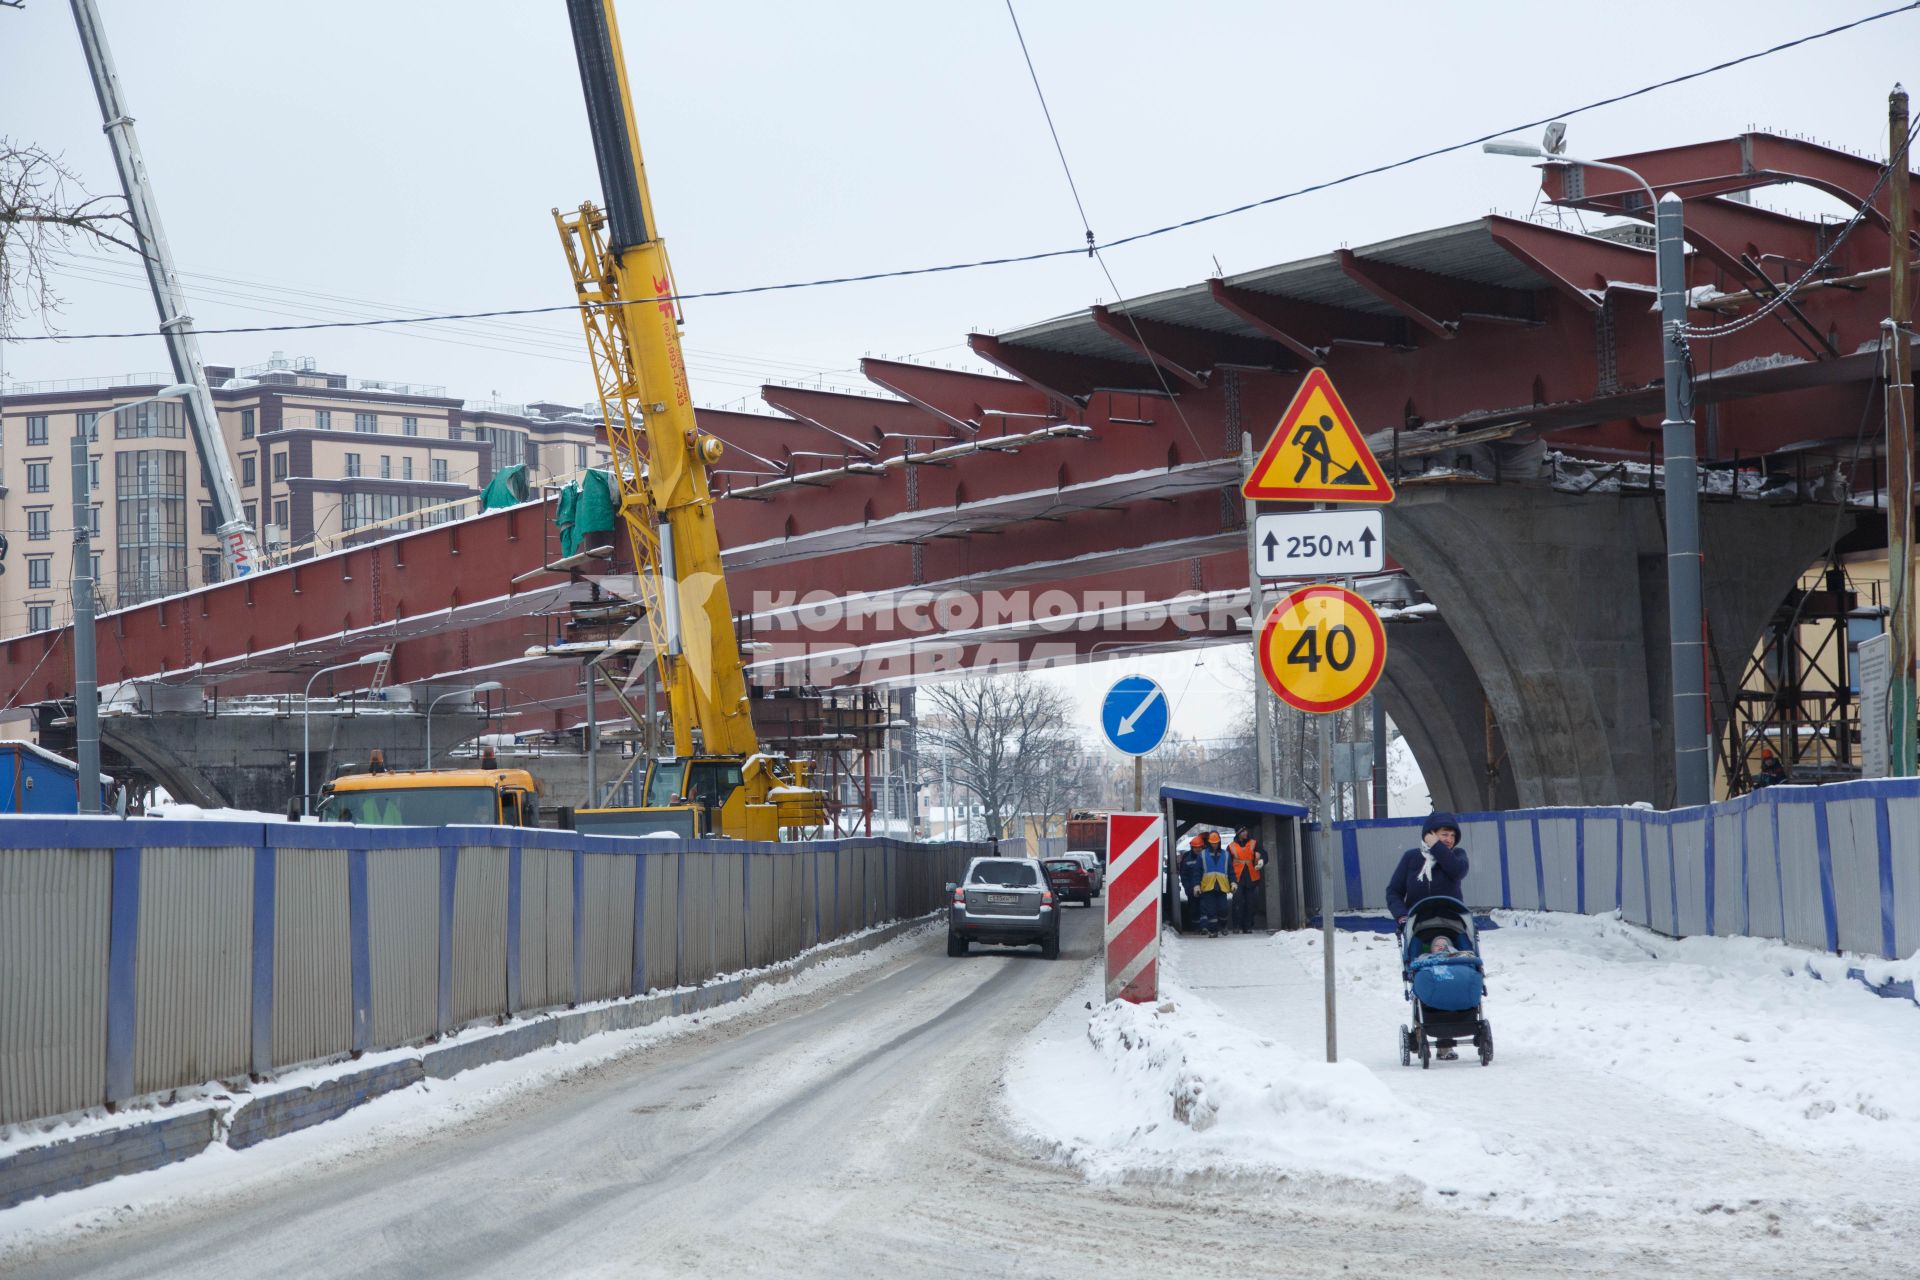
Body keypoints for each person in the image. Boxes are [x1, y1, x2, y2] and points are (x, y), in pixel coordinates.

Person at [1388, 812, 1469, 1057]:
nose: (1449, 839)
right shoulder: (1411, 859)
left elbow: (1455, 870)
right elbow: (1393, 891)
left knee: (1454, 973)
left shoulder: (1457, 857)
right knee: (1425, 973)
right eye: (1444, 834)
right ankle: (1424, 1028)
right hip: (1420, 928)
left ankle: (1447, 1039)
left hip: (1452, 927)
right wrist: (1402, 916)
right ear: (1429, 833)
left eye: (1452, 835)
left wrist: (1437, 847)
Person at [1228, 826, 1264, 934]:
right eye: (1243, 831)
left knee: (1251, 903)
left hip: (1251, 878)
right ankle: (1236, 926)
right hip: (1237, 878)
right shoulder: (1231, 846)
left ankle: (1247, 926)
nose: (1246, 833)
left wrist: (1262, 860)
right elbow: (1228, 864)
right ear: (1238, 833)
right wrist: (1231, 879)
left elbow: (1263, 853)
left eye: (1246, 830)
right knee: (1237, 903)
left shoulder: (1254, 843)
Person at [1198, 831, 1232, 937]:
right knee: (1211, 911)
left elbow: (1231, 871)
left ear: (1219, 842)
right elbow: (1197, 871)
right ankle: (1213, 931)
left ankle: (1223, 925)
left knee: (1223, 909)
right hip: (1208, 887)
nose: (1214, 845)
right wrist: (1196, 885)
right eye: (1212, 843)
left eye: (1216, 843)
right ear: (1209, 842)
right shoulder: (1202, 855)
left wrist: (1234, 882)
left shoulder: (1226, 855)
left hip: (1222, 887)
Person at [1177, 835, 1205, 932]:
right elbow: (1184, 874)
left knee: (1205, 908)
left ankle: (1204, 927)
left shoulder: (1206, 856)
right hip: (1191, 889)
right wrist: (1188, 888)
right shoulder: (1186, 857)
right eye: (1195, 847)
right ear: (1192, 847)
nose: (1198, 849)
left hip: (1205, 888)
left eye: (1199, 847)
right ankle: (1196, 927)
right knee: (1193, 909)